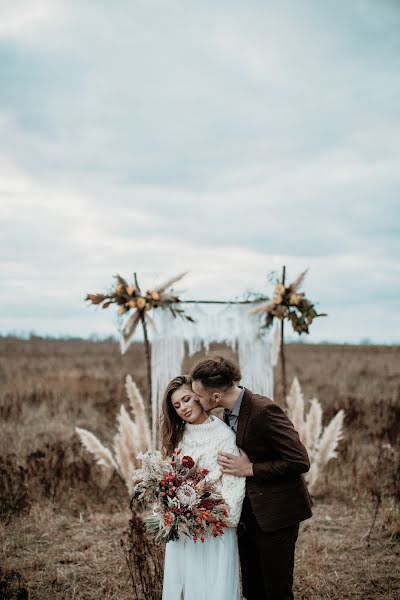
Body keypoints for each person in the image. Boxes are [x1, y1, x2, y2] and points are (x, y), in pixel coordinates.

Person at [191, 356, 313, 600]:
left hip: (276, 515)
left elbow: (299, 460)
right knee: (252, 588)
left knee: (276, 590)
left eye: (198, 395)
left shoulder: (263, 410)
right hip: (248, 515)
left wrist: (250, 469)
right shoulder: (227, 412)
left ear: (215, 397)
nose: (195, 400)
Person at [160, 375, 246, 600]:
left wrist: (202, 510)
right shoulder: (177, 438)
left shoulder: (225, 436)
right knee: (185, 588)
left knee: (212, 588)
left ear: (199, 397)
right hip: (183, 530)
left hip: (213, 528)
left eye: (187, 399)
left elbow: (233, 490)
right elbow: (169, 482)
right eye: (176, 406)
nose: (183, 408)